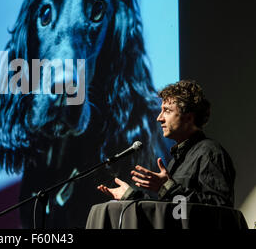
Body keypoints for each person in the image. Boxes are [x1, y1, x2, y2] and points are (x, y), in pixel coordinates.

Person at [97, 80, 235, 207]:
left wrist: (168, 187)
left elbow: (220, 207)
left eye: (167, 111)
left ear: (189, 117)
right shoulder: (176, 160)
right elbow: (168, 210)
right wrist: (132, 196)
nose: (159, 118)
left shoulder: (209, 153)